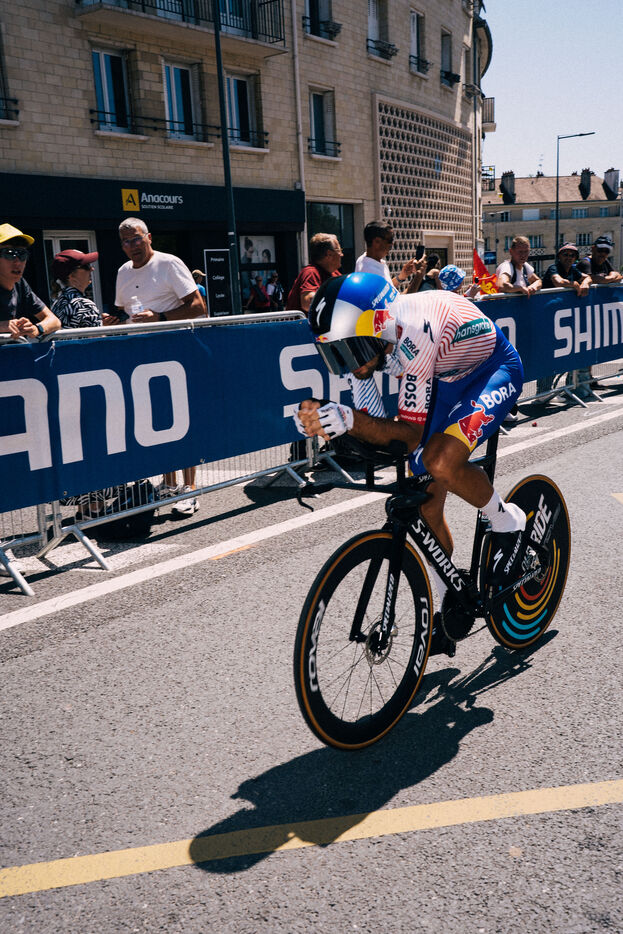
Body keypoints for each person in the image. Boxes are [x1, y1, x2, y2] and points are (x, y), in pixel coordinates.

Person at [295, 273, 526, 656]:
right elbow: (374, 425)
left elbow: (408, 436)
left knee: (440, 461)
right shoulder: (372, 346)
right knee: (424, 502)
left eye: (351, 351)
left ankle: (507, 520)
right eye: (337, 355)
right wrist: (327, 423)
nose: (351, 366)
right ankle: (450, 599)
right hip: (444, 379)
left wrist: (348, 419)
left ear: (378, 327)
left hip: (492, 368)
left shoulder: (415, 332)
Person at [110, 217, 205, 516]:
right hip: (141, 357)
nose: (132, 245)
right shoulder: (123, 272)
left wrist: (160, 318)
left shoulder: (169, 263)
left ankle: (190, 488)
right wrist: (112, 320)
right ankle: (169, 483)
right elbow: (123, 312)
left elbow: (198, 307)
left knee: (182, 420)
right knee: (159, 422)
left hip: (177, 353)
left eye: (137, 238)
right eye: (126, 241)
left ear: (149, 237)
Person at [0, 223, 60, 338]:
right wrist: (2, 326)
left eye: (22, 254)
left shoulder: (20, 284)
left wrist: (36, 328)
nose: (18, 262)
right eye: (9, 254)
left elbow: (54, 321)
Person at [354, 220, 423, 290]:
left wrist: (401, 276)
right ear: (376, 241)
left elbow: (386, 289)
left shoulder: (363, 259)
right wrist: (419, 275)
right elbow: (395, 297)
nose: (392, 244)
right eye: (390, 240)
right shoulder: (371, 273)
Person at [285, 233, 343, 314]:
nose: (342, 255)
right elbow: (307, 303)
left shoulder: (335, 274)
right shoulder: (310, 272)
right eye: (339, 250)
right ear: (329, 254)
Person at [51, 249, 102, 328]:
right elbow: (97, 336)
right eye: (86, 266)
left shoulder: (57, 303)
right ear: (71, 276)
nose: (92, 269)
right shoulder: (83, 305)